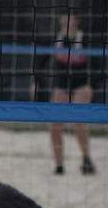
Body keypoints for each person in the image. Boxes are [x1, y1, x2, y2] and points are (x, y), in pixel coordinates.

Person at [33, 12, 95, 176]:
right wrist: (36, 82)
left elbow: (98, 63)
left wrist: (92, 86)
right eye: (64, 17)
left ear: (77, 20)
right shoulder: (55, 38)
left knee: (78, 121)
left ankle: (86, 159)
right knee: (55, 126)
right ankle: (59, 166)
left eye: (70, 17)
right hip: (62, 85)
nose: (66, 20)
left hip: (81, 84)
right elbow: (42, 62)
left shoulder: (86, 39)